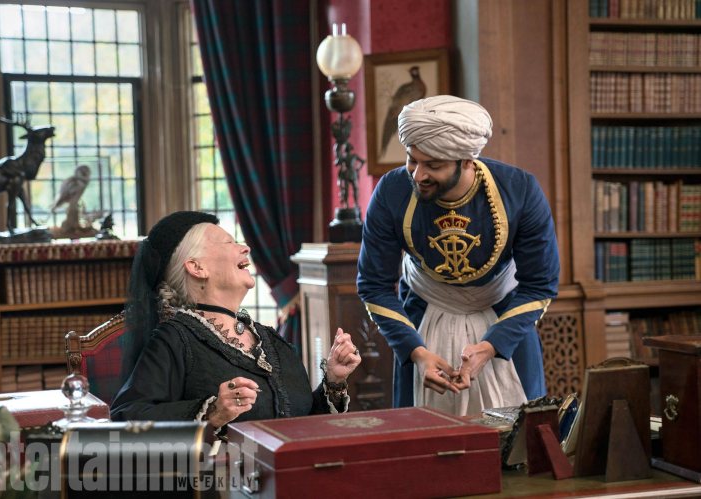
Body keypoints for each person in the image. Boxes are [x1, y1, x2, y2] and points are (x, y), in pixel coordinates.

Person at [357, 95, 559, 416]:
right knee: (423, 445)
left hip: (505, 328)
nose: (418, 174)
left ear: (466, 159)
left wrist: (491, 346)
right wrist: (418, 354)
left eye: (433, 165)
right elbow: (374, 285)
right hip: (420, 324)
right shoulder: (392, 191)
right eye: (412, 160)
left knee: (523, 444)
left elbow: (540, 285)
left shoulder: (520, 190)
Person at [111, 211, 360, 430]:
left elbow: (302, 426)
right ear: (197, 268)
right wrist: (213, 412)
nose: (245, 248)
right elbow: (127, 417)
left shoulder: (270, 340)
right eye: (229, 242)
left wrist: (333, 381)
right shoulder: (175, 339)